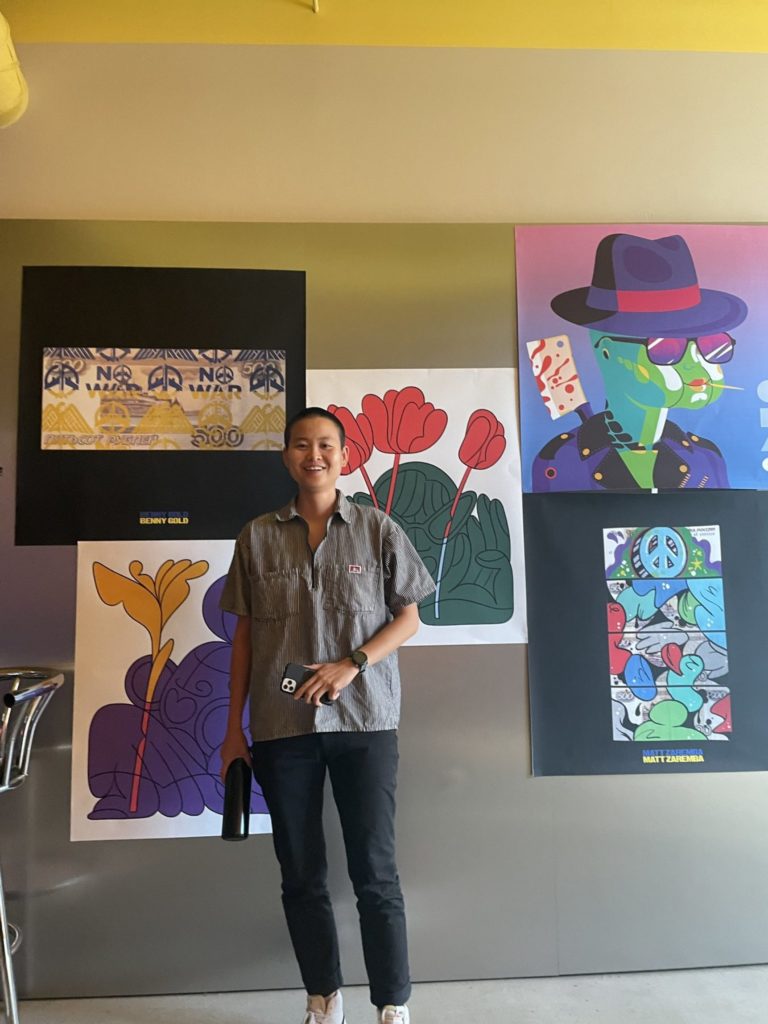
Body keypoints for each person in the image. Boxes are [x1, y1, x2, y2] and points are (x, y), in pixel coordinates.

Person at [219, 406, 436, 1024]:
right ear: (286, 456)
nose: (312, 455)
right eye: (300, 445)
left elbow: (410, 617)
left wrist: (352, 664)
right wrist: (232, 730)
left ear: (345, 456)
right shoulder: (256, 537)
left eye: (325, 445)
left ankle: (392, 1004)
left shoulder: (377, 528)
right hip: (282, 728)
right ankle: (323, 999)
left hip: (366, 724)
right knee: (300, 875)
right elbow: (244, 638)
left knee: (376, 874)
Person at [532, 233, 748, 491]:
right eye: (666, 347)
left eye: (711, 344)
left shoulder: (706, 459)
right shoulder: (560, 460)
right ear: (607, 351)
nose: (694, 363)